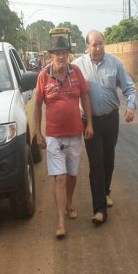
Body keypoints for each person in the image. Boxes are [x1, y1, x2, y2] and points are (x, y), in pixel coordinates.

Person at [72, 30, 137, 225]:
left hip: (110, 119)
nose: (98, 48)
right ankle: (99, 209)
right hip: (89, 122)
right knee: (96, 163)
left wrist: (131, 106)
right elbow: (69, 92)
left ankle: (106, 191)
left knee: (108, 159)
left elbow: (129, 87)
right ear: (87, 46)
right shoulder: (77, 66)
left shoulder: (115, 63)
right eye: (94, 45)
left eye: (101, 44)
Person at [33, 36, 94, 239]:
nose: (61, 56)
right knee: (59, 178)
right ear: (51, 55)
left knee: (72, 175)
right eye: (57, 53)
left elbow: (85, 96)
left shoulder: (75, 72)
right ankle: (60, 221)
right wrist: (38, 133)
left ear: (68, 55)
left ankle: (69, 203)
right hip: (54, 137)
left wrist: (90, 124)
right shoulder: (43, 76)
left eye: (64, 53)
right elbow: (37, 105)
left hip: (75, 134)